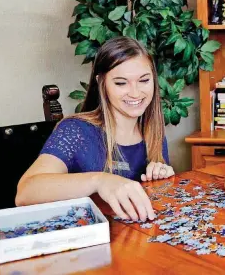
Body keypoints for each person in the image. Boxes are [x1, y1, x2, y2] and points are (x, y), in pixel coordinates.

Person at [16, 37, 174, 221]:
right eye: (121, 83)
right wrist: (100, 181)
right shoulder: (75, 131)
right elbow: (25, 192)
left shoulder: (153, 132)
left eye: (144, 80)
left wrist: (162, 179)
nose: (135, 92)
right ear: (102, 83)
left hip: (135, 243)